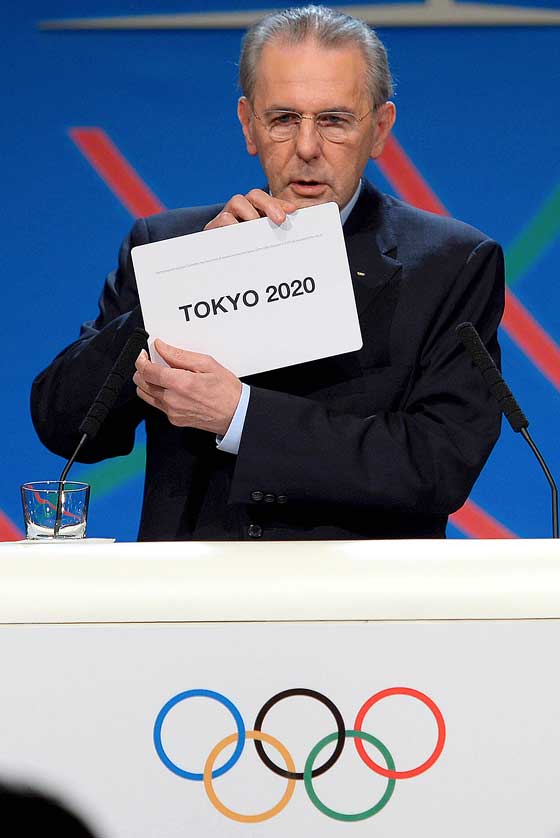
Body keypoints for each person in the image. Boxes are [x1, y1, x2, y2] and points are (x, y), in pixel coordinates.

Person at [31, 5, 504, 541]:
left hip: (359, 589)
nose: (307, 148)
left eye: (334, 121)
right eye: (284, 119)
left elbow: (438, 463)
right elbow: (65, 426)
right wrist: (185, 286)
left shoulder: (450, 263)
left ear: (379, 129)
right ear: (248, 125)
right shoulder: (169, 245)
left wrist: (242, 417)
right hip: (191, 588)